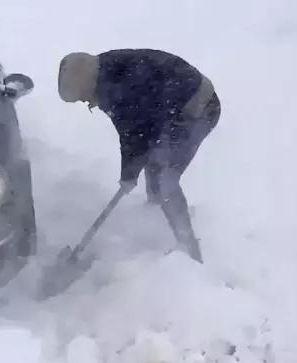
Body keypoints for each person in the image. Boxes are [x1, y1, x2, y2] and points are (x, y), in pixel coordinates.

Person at [57, 48, 221, 263]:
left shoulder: (119, 86)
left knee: (165, 178)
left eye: (82, 97)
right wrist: (129, 173)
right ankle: (155, 218)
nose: (86, 103)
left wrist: (129, 174)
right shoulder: (106, 75)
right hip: (171, 110)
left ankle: (188, 247)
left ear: (88, 83)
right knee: (155, 165)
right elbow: (132, 133)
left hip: (198, 107)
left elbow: (137, 133)